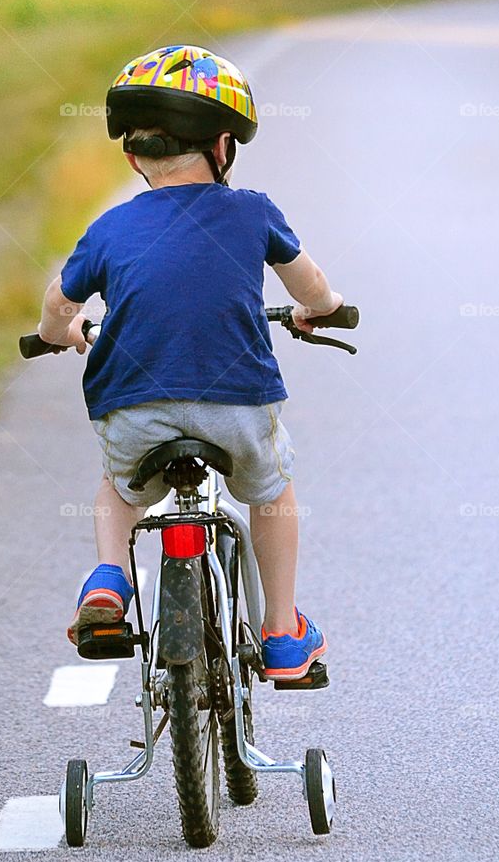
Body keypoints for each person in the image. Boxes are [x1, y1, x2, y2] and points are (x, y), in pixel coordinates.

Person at [37, 43, 342, 681]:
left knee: (119, 489)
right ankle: (282, 633)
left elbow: (59, 304)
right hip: (238, 405)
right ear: (224, 146)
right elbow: (310, 287)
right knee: (271, 491)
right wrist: (324, 309)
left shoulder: (109, 228)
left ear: (132, 156)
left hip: (133, 406)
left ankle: (109, 579)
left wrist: (60, 333)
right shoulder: (254, 211)